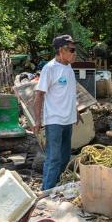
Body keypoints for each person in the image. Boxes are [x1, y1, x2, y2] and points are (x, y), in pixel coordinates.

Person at [35, 35, 79, 191]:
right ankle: (46, 190)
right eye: (71, 50)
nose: (74, 53)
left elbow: (70, 93)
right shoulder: (50, 68)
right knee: (53, 158)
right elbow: (39, 95)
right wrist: (37, 121)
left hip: (68, 120)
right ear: (61, 50)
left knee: (65, 157)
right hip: (54, 121)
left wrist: (76, 111)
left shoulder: (69, 68)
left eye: (74, 49)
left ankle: (57, 188)